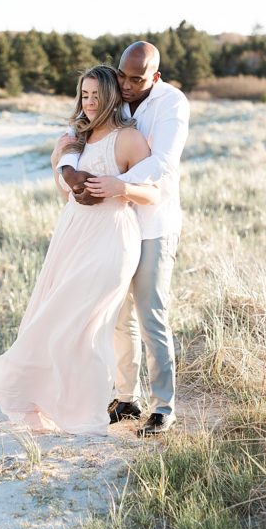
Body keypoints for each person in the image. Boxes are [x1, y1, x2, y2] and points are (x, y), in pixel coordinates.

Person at [0, 65, 160, 435]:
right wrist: (53, 164)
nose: (89, 103)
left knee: (87, 327)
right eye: (84, 95)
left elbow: (153, 193)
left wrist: (118, 187)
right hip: (72, 236)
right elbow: (67, 194)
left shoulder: (129, 140)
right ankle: (44, 403)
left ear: (111, 96)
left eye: (96, 95)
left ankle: (86, 418)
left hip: (111, 239)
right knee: (52, 321)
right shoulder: (78, 138)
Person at [59, 42, 189, 436]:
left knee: (151, 313)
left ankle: (163, 406)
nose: (128, 85)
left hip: (153, 222)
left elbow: (163, 164)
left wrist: (114, 185)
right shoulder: (117, 93)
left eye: (137, 79)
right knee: (119, 316)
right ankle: (126, 397)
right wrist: (68, 166)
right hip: (114, 228)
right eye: (123, 76)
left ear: (156, 77)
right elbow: (78, 126)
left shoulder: (172, 104)